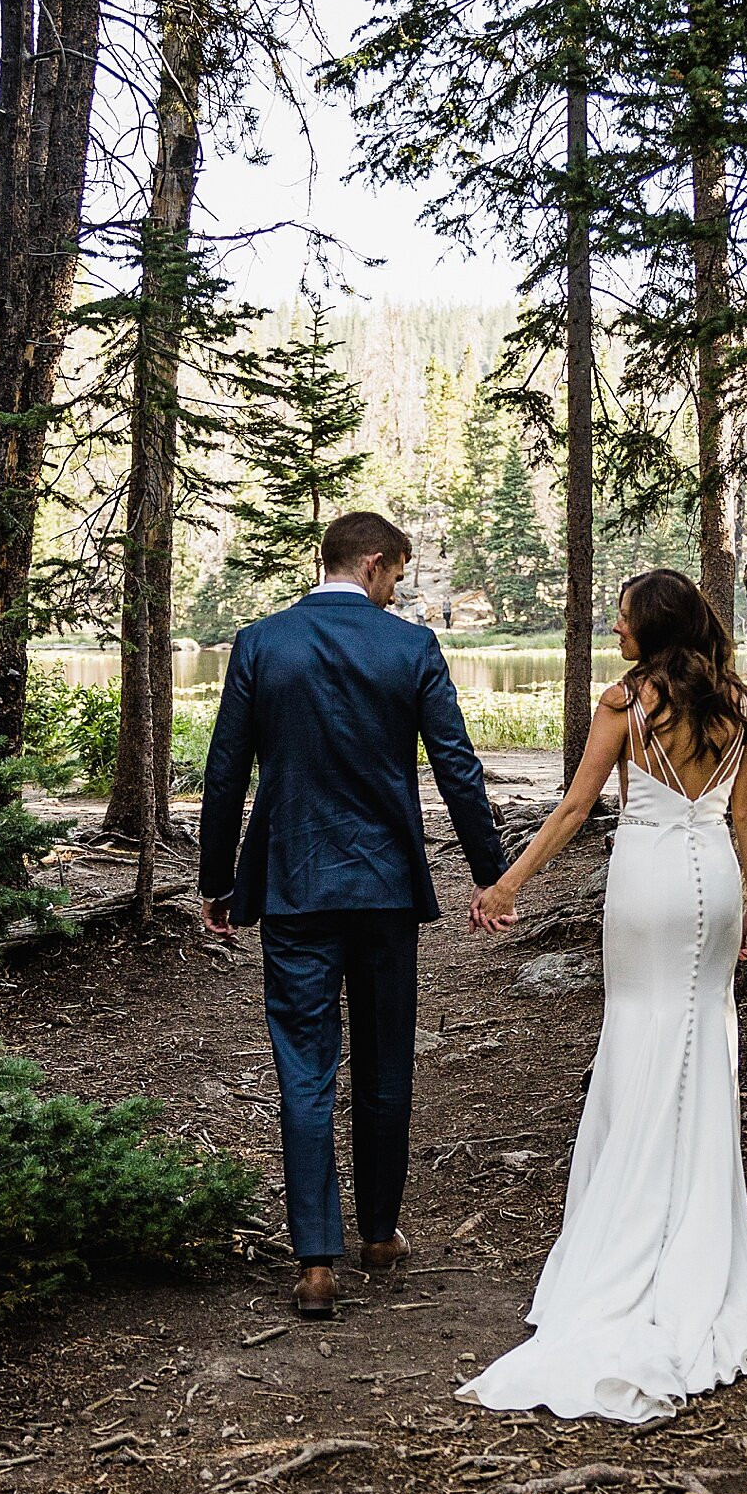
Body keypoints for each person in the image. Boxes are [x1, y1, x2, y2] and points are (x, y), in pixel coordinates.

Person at [463, 568, 747, 1423]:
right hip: (713, 878)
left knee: (641, 1032)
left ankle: (627, 1230)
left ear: (654, 626)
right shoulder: (738, 706)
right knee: (701, 1039)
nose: (614, 631)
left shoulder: (625, 705)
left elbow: (574, 808)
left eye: (623, 620)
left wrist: (506, 885)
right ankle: (691, 1233)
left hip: (646, 878)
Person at [198, 510, 507, 1320]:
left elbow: (225, 768)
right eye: (397, 576)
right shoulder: (409, 648)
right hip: (384, 890)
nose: (396, 590)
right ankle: (378, 1233)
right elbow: (458, 769)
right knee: (382, 1062)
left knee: (304, 1066)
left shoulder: (262, 643)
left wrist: (218, 879)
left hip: (296, 888)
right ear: (371, 565)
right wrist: (490, 874)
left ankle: (315, 1262)